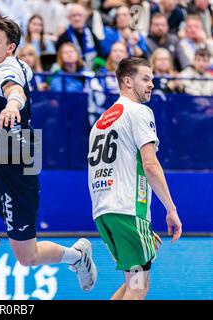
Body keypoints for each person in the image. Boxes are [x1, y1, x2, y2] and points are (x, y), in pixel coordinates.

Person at [0, 17, 97, 292]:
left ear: (11, 48)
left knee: (28, 257)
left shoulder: (7, 73)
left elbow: (14, 90)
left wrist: (12, 105)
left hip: (17, 174)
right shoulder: (17, 64)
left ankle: (78, 255)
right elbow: (5, 69)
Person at [88, 57, 182, 300]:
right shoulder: (139, 111)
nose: (151, 84)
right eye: (146, 78)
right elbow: (150, 165)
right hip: (128, 211)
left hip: (105, 212)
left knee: (135, 281)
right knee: (138, 287)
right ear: (127, 81)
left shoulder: (100, 122)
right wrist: (170, 210)